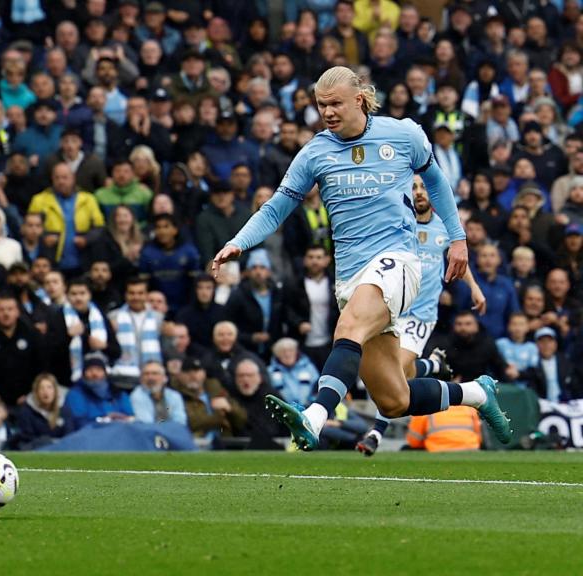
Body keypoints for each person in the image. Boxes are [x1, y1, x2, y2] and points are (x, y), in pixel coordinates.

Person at [212, 66, 511, 451]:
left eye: (335, 103)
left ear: (359, 99)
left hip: (399, 261)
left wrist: (458, 238)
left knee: (348, 328)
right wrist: (239, 241)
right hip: (350, 275)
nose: (328, 112)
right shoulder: (316, 152)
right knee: (393, 398)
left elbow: (435, 180)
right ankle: (476, 394)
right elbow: (276, 208)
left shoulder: (403, 134)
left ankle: (314, 417)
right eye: (322, 106)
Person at [357, 174, 487, 456]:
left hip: (421, 316)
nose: (418, 192)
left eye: (423, 187)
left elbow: (460, 263)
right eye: (412, 187)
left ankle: (376, 433)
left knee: (396, 371)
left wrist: (475, 288)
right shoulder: (399, 227)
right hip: (393, 308)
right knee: (394, 371)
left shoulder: (445, 229)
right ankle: (433, 366)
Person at [62, 352, 134, 431]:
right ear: (83, 374)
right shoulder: (75, 394)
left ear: (105, 373)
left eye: (98, 370)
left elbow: (130, 417)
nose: (94, 373)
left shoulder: (118, 394)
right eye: (90, 370)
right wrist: (104, 421)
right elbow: (78, 422)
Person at [14, 373, 73, 449]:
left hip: (61, 450)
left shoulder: (64, 410)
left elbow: (69, 434)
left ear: (55, 391)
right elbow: (27, 437)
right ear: (36, 392)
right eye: (41, 388)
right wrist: (47, 442)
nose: (46, 392)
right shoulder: (26, 411)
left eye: (49, 387)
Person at [129, 360, 187, 425]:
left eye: (155, 373)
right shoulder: (137, 395)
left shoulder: (174, 396)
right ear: (141, 378)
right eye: (146, 374)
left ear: (164, 378)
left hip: (172, 432)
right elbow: (146, 423)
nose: (150, 377)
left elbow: (180, 421)